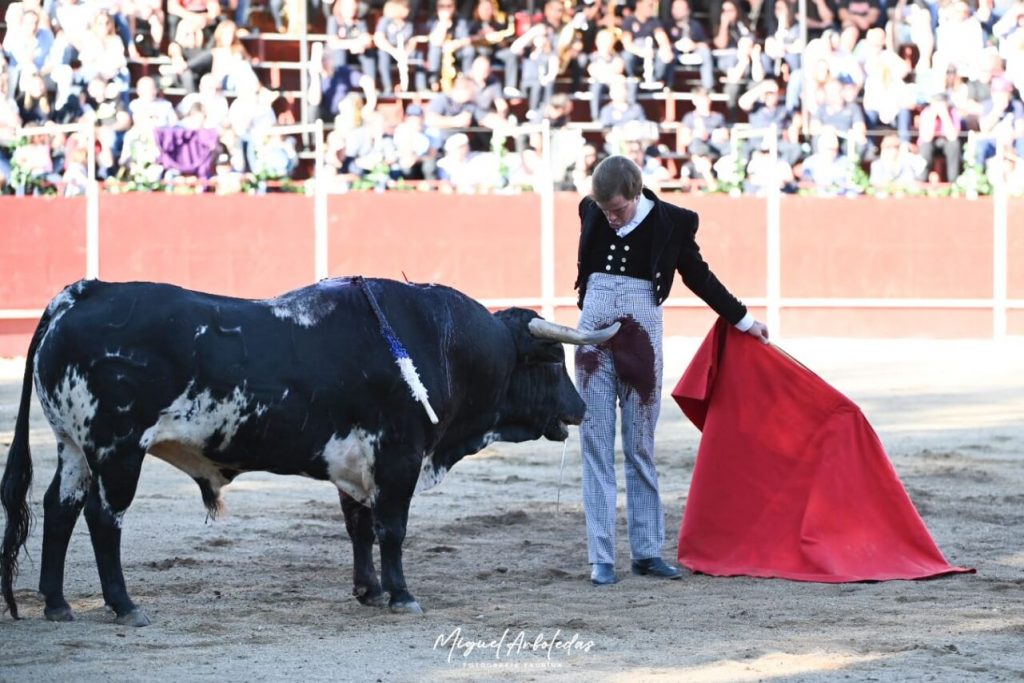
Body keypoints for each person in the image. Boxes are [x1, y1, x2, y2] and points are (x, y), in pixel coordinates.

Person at [573, 154, 769, 587]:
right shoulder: (590, 209)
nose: (611, 217)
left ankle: (646, 552)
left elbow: (699, 276)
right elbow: (586, 263)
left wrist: (743, 320)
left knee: (640, 444)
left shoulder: (674, 222)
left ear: (638, 194)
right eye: (605, 209)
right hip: (591, 339)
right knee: (595, 444)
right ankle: (601, 556)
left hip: (642, 336)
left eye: (618, 209)